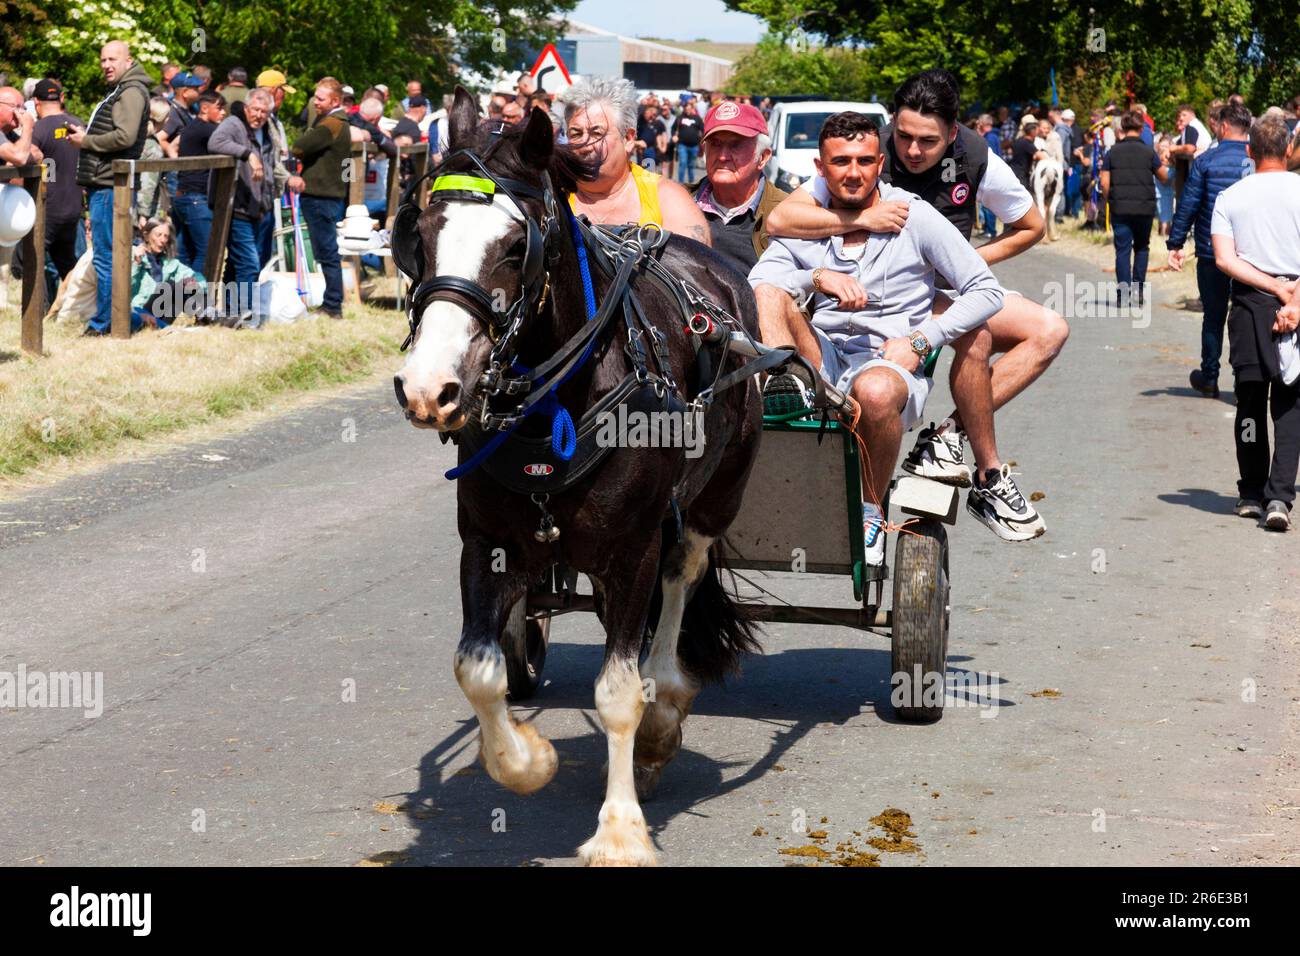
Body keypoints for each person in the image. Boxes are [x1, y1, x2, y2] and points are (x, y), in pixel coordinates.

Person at [765, 69, 1061, 541]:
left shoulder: (977, 157)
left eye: (928, 141)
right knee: (974, 329)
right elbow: (781, 218)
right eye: (903, 138)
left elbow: (1030, 226)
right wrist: (860, 217)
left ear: (953, 134)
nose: (913, 151)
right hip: (875, 290)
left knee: (1045, 329)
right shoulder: (860, 150)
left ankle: (967, 456)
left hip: (939, 286)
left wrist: (960, 262)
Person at [749, 111, 1004, 565]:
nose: (853, 172)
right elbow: (760, 284)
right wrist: (817, 277)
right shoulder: (807, 219)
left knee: (875, 388)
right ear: (820, 166)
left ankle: (869, 509)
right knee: (771, 292)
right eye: (841, 161)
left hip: (886, 362)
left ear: (880, 162)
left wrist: (923, 340)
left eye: (864, 161)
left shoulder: (914, 215)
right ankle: (783, 385)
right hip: (820, 358)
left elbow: (985, 291)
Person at [1210, 114, 1300, 529]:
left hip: (1249, 304)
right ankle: (1280, 496)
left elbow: (1226, 260)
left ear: (1249, 151)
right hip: (1297, 298)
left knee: (1249, 400)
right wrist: (1292, 295)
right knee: (1289, 401)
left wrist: (1271, 288)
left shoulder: (1230, 197)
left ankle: (1250, 491)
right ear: (1287, 150)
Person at [1167, 102, 1254, 398]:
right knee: (1248, 315)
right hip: (1252, 254)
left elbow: (1189, 203)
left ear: (1224, 126)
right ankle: (1247, 379)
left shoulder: (1206, 161)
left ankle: (1209, 377)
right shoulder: (1259, 161)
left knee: (1214, 315)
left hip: (1211, 250)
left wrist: (1175, 243)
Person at [67, 41, 153, 335]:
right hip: (106, 184)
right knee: (109, 255)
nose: (106, 65)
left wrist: (86, 141)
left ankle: (105, 324)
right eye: (103, 59)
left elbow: (125, 137)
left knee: (106, 257)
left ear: (128, 60)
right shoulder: (123, 89)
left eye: (112, 59)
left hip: (109, 185)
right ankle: (125, 320)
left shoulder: (130, 91)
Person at [562, 76, 710, 244]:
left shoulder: (667, 199)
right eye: (576, 134)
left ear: (628, 138)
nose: (585, 145)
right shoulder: (553, 195)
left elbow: (696, 267)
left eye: (597, 133)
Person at [686, 101, 787, 274]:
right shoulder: (679, 202)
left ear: (762, 157)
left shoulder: (785, 211)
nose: (723, 156)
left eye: (735, 145)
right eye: (715, 144)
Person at [208, 88, 281, 322]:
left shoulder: (268, 131)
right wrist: (247, 154)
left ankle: (231, 312)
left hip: (261, 206)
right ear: (247, 108)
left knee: (243, 263)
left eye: (264, 111)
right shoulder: (233, 123)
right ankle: (247, 315)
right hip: (237, 205)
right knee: (249, 262)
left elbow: (271, 166)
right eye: (255, 110)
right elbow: (215, 142)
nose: (259, 115)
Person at [288, 77, 352, 318]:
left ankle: (333, 305)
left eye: (320, 98)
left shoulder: (331, 124)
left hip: (320, 196)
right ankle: (332, 302)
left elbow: (299, 146)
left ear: (335, 101)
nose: (315, 101)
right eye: (315, 97)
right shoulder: (340, 123)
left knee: (327, 253)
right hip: (329, 195)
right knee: (328, 252)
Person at [1101, 110, 1169, 306]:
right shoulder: (1149, 152)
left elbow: (1105, 183)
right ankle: (1139, 290)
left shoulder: (1112, 152)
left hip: (1120, 207)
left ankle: (1123, 294)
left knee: (1122, 250)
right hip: (1144, 207)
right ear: (1141, 129)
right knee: (1141, 247)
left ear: (1122, 128)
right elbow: (1163, 177)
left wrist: (1110, 199)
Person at [30, 80, 84, 300]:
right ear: (61, 99)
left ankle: (38, 309)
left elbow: (31, 157)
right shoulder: (78, 125)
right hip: (74, 207)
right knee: (67, 264)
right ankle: (74, 307)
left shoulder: (38, 128)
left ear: (36, 102)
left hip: (48, 207)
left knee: (28, 261)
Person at [171, 91, 226, 274]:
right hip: (196, 198)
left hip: (182, 196)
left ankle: (179, 299)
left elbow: (173, 146)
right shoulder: (207, 130)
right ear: (204, 108)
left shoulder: (191, 127)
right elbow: (228, 141)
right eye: (219, 108)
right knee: (205, 251)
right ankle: (194, 299)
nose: (223, 113)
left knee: (184, 253)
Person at [128, 217, 208, 330]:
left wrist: (196, 283)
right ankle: (208, 316)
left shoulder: (169, 262)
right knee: (170, 285)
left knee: (186, 284)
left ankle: (208, 316)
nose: (163, 240)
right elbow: (124, 290)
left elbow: (197, 278)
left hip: (161, 315)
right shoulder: (132, 252)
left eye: (166, 236)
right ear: (146, 235)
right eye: (158, 235)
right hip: (138, 311)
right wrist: (136, 263)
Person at [1171, 104, 1211, 202]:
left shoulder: (1192, 126)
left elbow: (1190, 148)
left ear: (1192, 115)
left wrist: (1175, 148)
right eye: (1180, 116)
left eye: (1184, 115)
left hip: (1198, 167)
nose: (1181, 118)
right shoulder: (1197, 126)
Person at [673, 99, 702, 184]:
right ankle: (681, 183)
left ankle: (691, 182)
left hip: (694, 146)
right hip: (682, 145)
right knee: (683, 163)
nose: (687, 110)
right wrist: (674, 136)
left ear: (692, 109)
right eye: (686, 109)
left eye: (689, 108)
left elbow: (703, 129)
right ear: (684, 109)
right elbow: (673, 129)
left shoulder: (697, 118)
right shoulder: (679, 118)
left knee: (691, 165)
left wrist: (702, 138)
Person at [635, 103, 667, 170]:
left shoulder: (657, 123)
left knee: (650, 171)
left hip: (651, 149)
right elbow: (640, 109)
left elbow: (661, 134)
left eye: (654, 113)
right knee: (640, 170)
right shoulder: (640, 121)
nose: (651, 114)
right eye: (648, 112)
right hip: (640, 149)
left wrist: (662, 146)